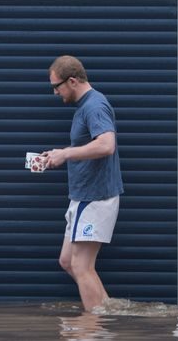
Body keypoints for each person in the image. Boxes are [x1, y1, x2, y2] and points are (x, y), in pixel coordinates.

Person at [41, 55, 123, 311]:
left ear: (72, 81)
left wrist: (65, 154)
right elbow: (88, 146)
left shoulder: (94, 106)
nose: (55, 92)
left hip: (95, 197)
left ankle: (93, 329)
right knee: (68, 261)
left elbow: (106, 145)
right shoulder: (85, 106)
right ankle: (107, 312)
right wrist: (59, 153)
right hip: (84, 196)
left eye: (57, 86)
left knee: (82, 266)